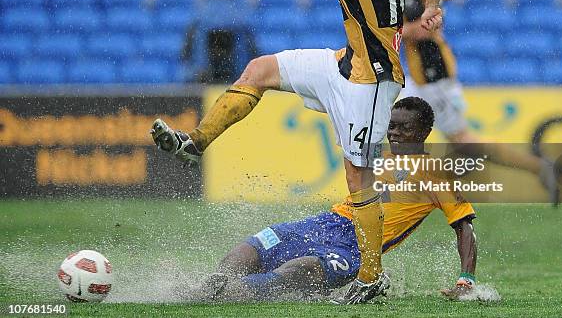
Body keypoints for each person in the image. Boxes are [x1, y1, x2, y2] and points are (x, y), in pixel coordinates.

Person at [151, 0, 452, 303]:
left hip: (372, 81)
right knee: (260, 70)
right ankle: (195, 142)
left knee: (357, 175)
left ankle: (370, 275)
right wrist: (434, 5)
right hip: (344, 63)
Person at [185, 97, 477, 303]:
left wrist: (466, 280)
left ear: (424, 133)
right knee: (260, 242)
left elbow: (465, 228)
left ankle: (231, 294)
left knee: (304, 269)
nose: (394, 133)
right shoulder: (375, 154)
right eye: (392, 125)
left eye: (404, 128)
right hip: (328, 222)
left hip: (359, 245)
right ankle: (212, 284)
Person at [379, 0, 561, 204]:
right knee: (387, 121)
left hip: (433, 73)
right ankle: (395, 188)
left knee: (463, 142)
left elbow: (420, 30)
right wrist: (437, 1)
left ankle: (539, 168)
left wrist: (395, 26)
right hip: (422, 74)